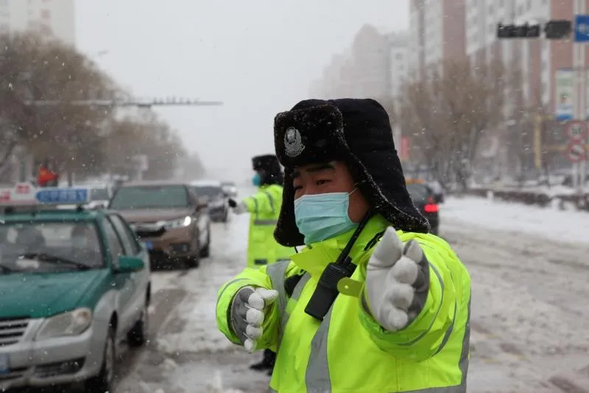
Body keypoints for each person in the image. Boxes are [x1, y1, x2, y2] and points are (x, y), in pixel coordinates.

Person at [216, 99, 471, 392]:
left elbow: (427, 300)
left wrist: (408, 299)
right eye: (298, 186)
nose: (306, 197)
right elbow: (257, 280)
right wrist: (235, 304)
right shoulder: (304, 274)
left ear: (370, 183)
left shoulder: (415, 254)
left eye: (322, 181)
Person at [227, 154, 293, 374]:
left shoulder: (274, 192)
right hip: (268, 261)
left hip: (275, 261)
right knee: (269, 313)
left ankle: (274, 360)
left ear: (265, 172)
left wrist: (241, 204)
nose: (255, 177)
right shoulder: (270, 191)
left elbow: (260, 203)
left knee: (276, 313)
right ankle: (269, 358)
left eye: (257, 173)